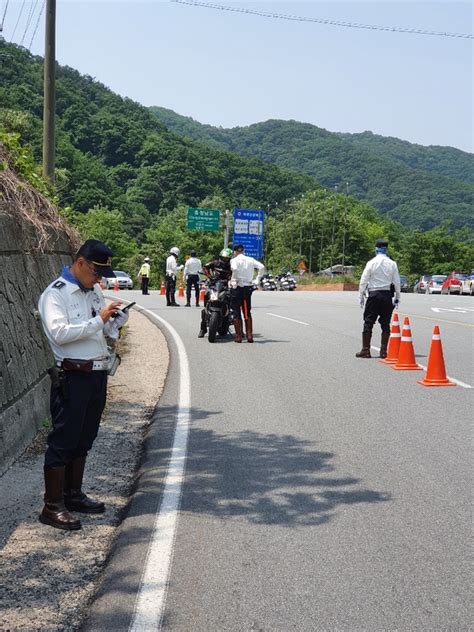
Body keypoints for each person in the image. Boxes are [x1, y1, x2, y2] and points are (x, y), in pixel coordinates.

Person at [37, 239, 129, 531]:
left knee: (84, 438)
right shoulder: (56, 295)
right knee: (63, 441)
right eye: (96, 273)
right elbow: (59, 333)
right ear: (80, 263)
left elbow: (99, 332)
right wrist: (99, 320)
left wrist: (114, 322)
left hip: (97, 375)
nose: (99, 279)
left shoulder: (93, 292)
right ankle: (52, 506)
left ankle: (73, 495)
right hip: (73, 376)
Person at [356, 238, 401, 359]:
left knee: (368, 322)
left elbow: (363, 280)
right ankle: (383, 351)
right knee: (385, 323)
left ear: (376, 249)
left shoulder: (371, 263)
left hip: (374, 294)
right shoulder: (392, 263)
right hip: (387, 295)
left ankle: (366, 350)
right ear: (386, 249)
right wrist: (397, 297)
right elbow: (397, 282)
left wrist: (361, 295)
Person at [230, 244, 265, 343]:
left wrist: (234, 279)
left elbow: (235, 269)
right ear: (243, 251)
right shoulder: (250, 259)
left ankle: (238, 337)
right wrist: (257, 279)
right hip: (247, 287)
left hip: (237, 287)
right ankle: (249, 335)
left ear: (235, 252)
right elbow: (261, 267)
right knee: (246, 311)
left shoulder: (234, 260)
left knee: (236, 311)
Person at [198, 248, 233, 338]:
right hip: (214, 285)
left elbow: (236, 273)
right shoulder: (215, 263)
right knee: (206, 296)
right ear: (220, 257)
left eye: (227, 258)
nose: (225, 260)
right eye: (223, 258)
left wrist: (233, 281)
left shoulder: (232, 266)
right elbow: (205, 267)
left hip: (226, 286)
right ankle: (203, 328)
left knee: (233, 300)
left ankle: (238, 328)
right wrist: (209, 276)